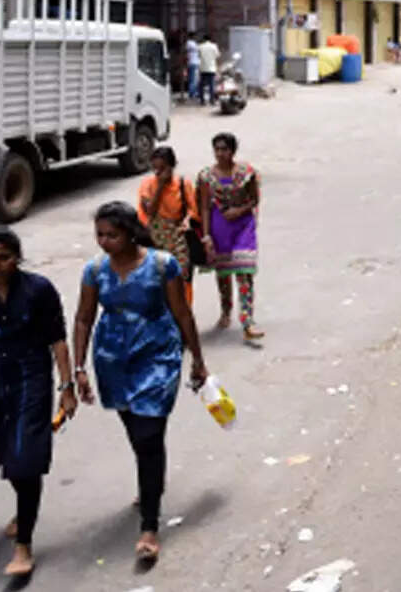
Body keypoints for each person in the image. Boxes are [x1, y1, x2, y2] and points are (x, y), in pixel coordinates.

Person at [73, 202, 208, 564]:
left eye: (112, 235)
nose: (105, 242)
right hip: (113, 361)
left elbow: (182, 313)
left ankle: (149, 525)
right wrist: (79, 368)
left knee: (149, 434)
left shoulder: (163, 264)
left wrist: (197, 359)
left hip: (157, 357)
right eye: (100, 235)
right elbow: (84, 318)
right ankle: (150, 480)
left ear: (131, 233)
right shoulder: (95, 270)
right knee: (137, 432)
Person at [0, 228, 76, 578]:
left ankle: (24, 545)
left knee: (26, 461)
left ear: (17, 257)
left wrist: (67, 386)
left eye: (4, 258)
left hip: (32, 381)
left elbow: (57, 339)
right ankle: (25, 507)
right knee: (8, 455)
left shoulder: (38, 290)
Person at [197, 133, 264, 343]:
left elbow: (254, 199)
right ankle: (226, 310)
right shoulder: (206, 176)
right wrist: (206, 235)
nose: (220, 154)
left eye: (224, 149)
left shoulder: (247, 173)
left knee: (244, 272)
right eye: (217, 149)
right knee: (223, 272)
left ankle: (247, 320)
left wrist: (239, 210)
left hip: (243, 226)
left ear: (233, 151)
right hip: (219, 227)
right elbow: (205, 207)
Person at [138, 146, 201, 307]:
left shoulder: (183, 184)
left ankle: (184, 312)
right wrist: (160, 186)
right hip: (156, 239)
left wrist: (187, 220)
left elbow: (193, 209)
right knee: (158, 279)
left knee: (183, 278)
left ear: (172, 166)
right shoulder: (148, 185)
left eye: (162, 168)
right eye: (155, 169)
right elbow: (149, 211)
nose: (158, 173)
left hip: (178, 238)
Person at [198, 34, 220, 105]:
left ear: (204, 39)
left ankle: (202, 101)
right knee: (212, 85)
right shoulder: (214, 46)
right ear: (210, 39)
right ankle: (212, 100)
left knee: (201, 85)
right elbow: (217, 56)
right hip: (211, 68)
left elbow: (199, 56)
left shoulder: (200, 46)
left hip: (203, 68)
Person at [185, 32, 200, 102]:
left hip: (193, 62)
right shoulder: (190, 43)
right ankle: (192, 93)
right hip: (193, 62)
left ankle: (193, 92)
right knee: (193, 79)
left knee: (194, 79)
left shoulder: (191, 43)